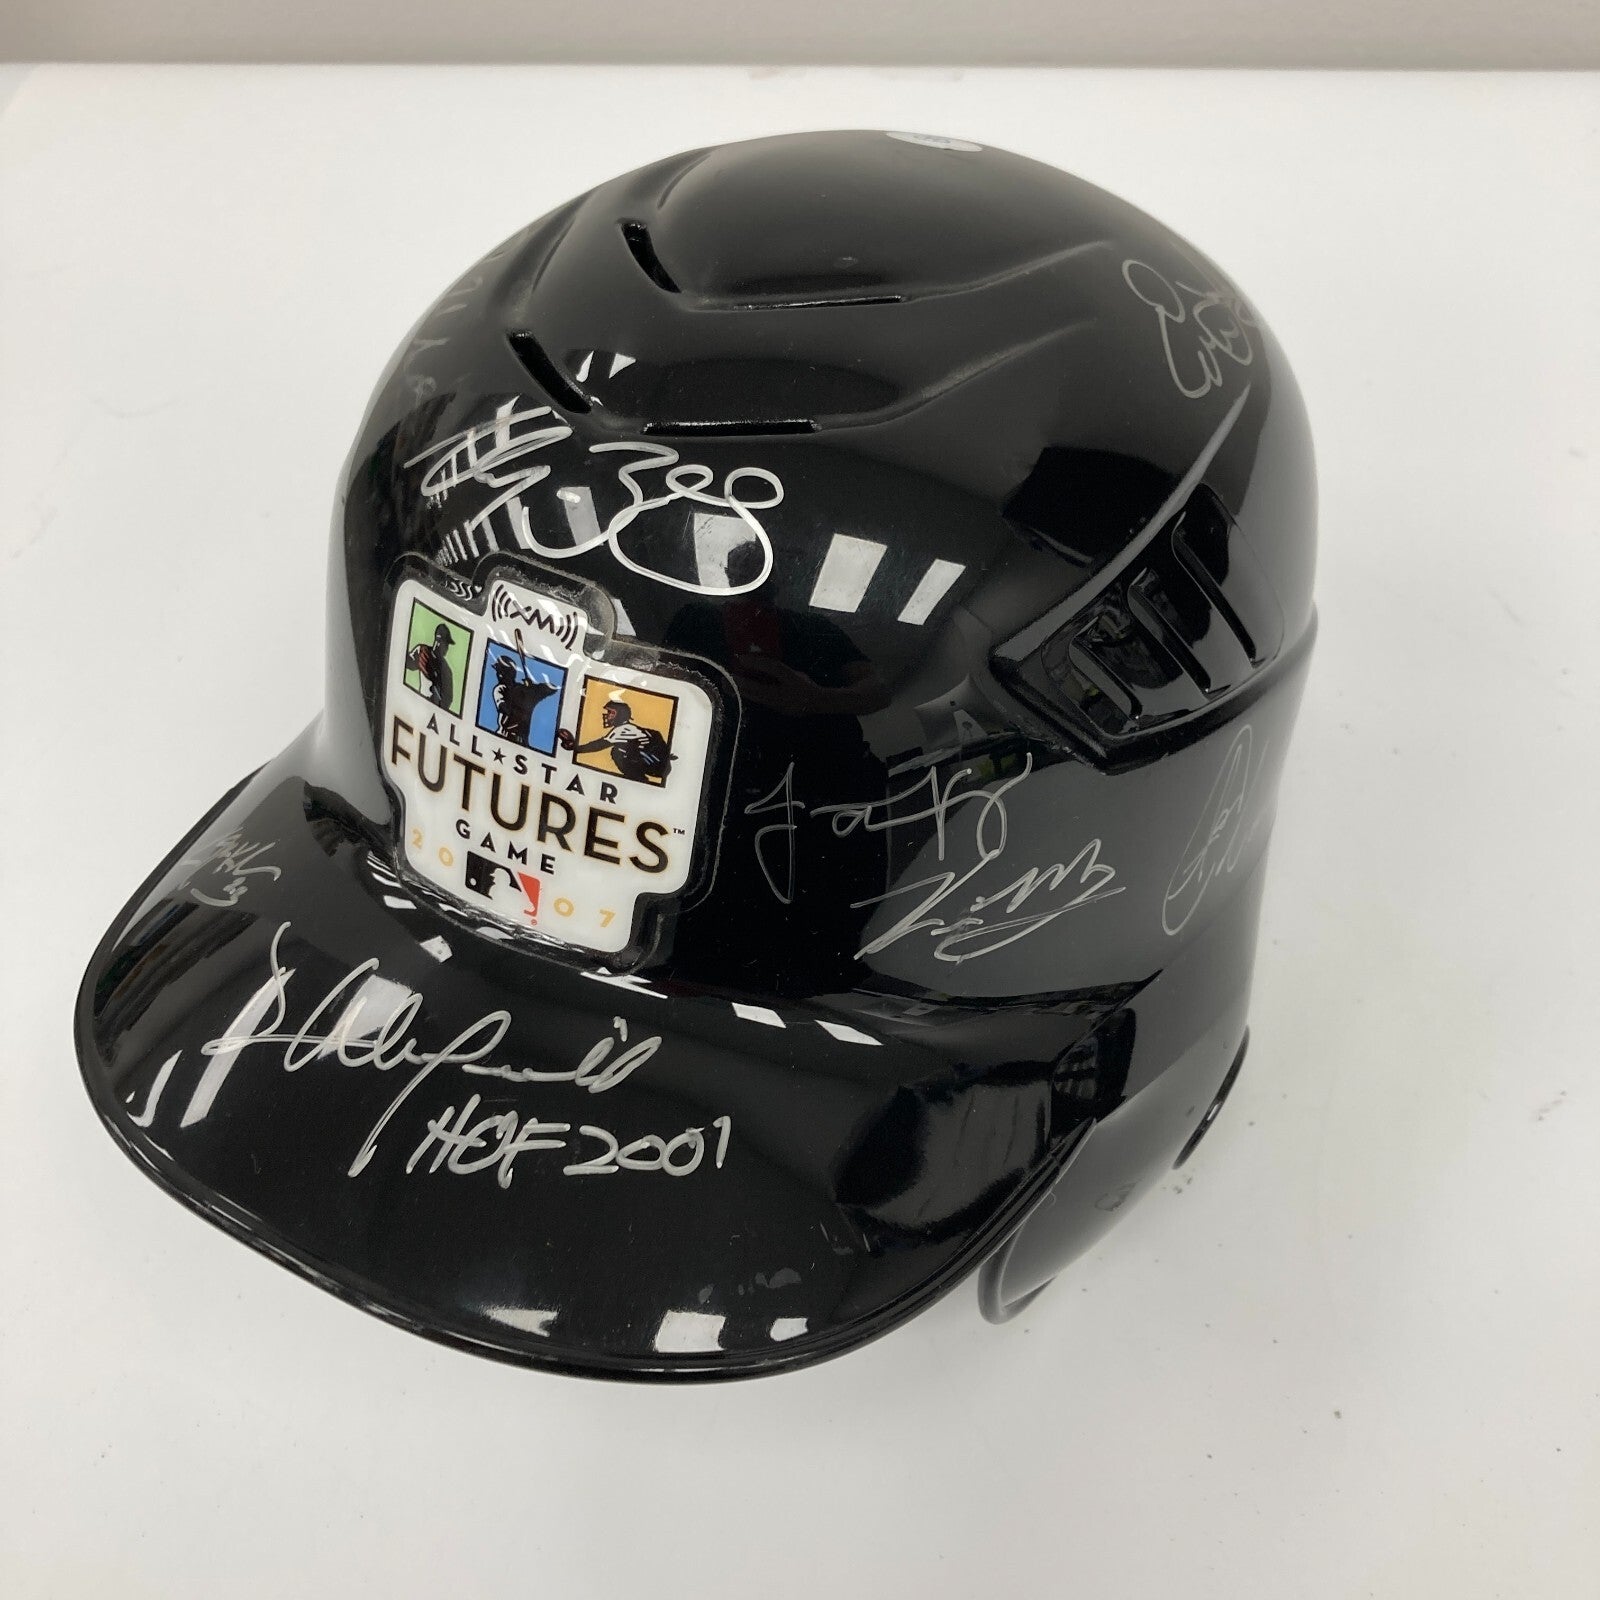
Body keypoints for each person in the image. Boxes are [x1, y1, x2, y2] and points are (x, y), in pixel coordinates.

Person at [559, 697, 672, 783]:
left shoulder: (623, 729)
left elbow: (599, 745)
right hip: (659, 765)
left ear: (620, 715)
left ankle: (639, 780)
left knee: (617, 751)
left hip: (656, 766)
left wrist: (575, 748)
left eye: (611, 712)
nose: (607, 715)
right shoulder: (629, 729)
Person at [405, 621, 455, 708]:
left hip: (433, 709)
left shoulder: (447, 670)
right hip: (419, 704)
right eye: (446, 644)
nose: (447, 648)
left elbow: (447, 700)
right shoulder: (422, 651)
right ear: (438, 642)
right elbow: (408, 663)